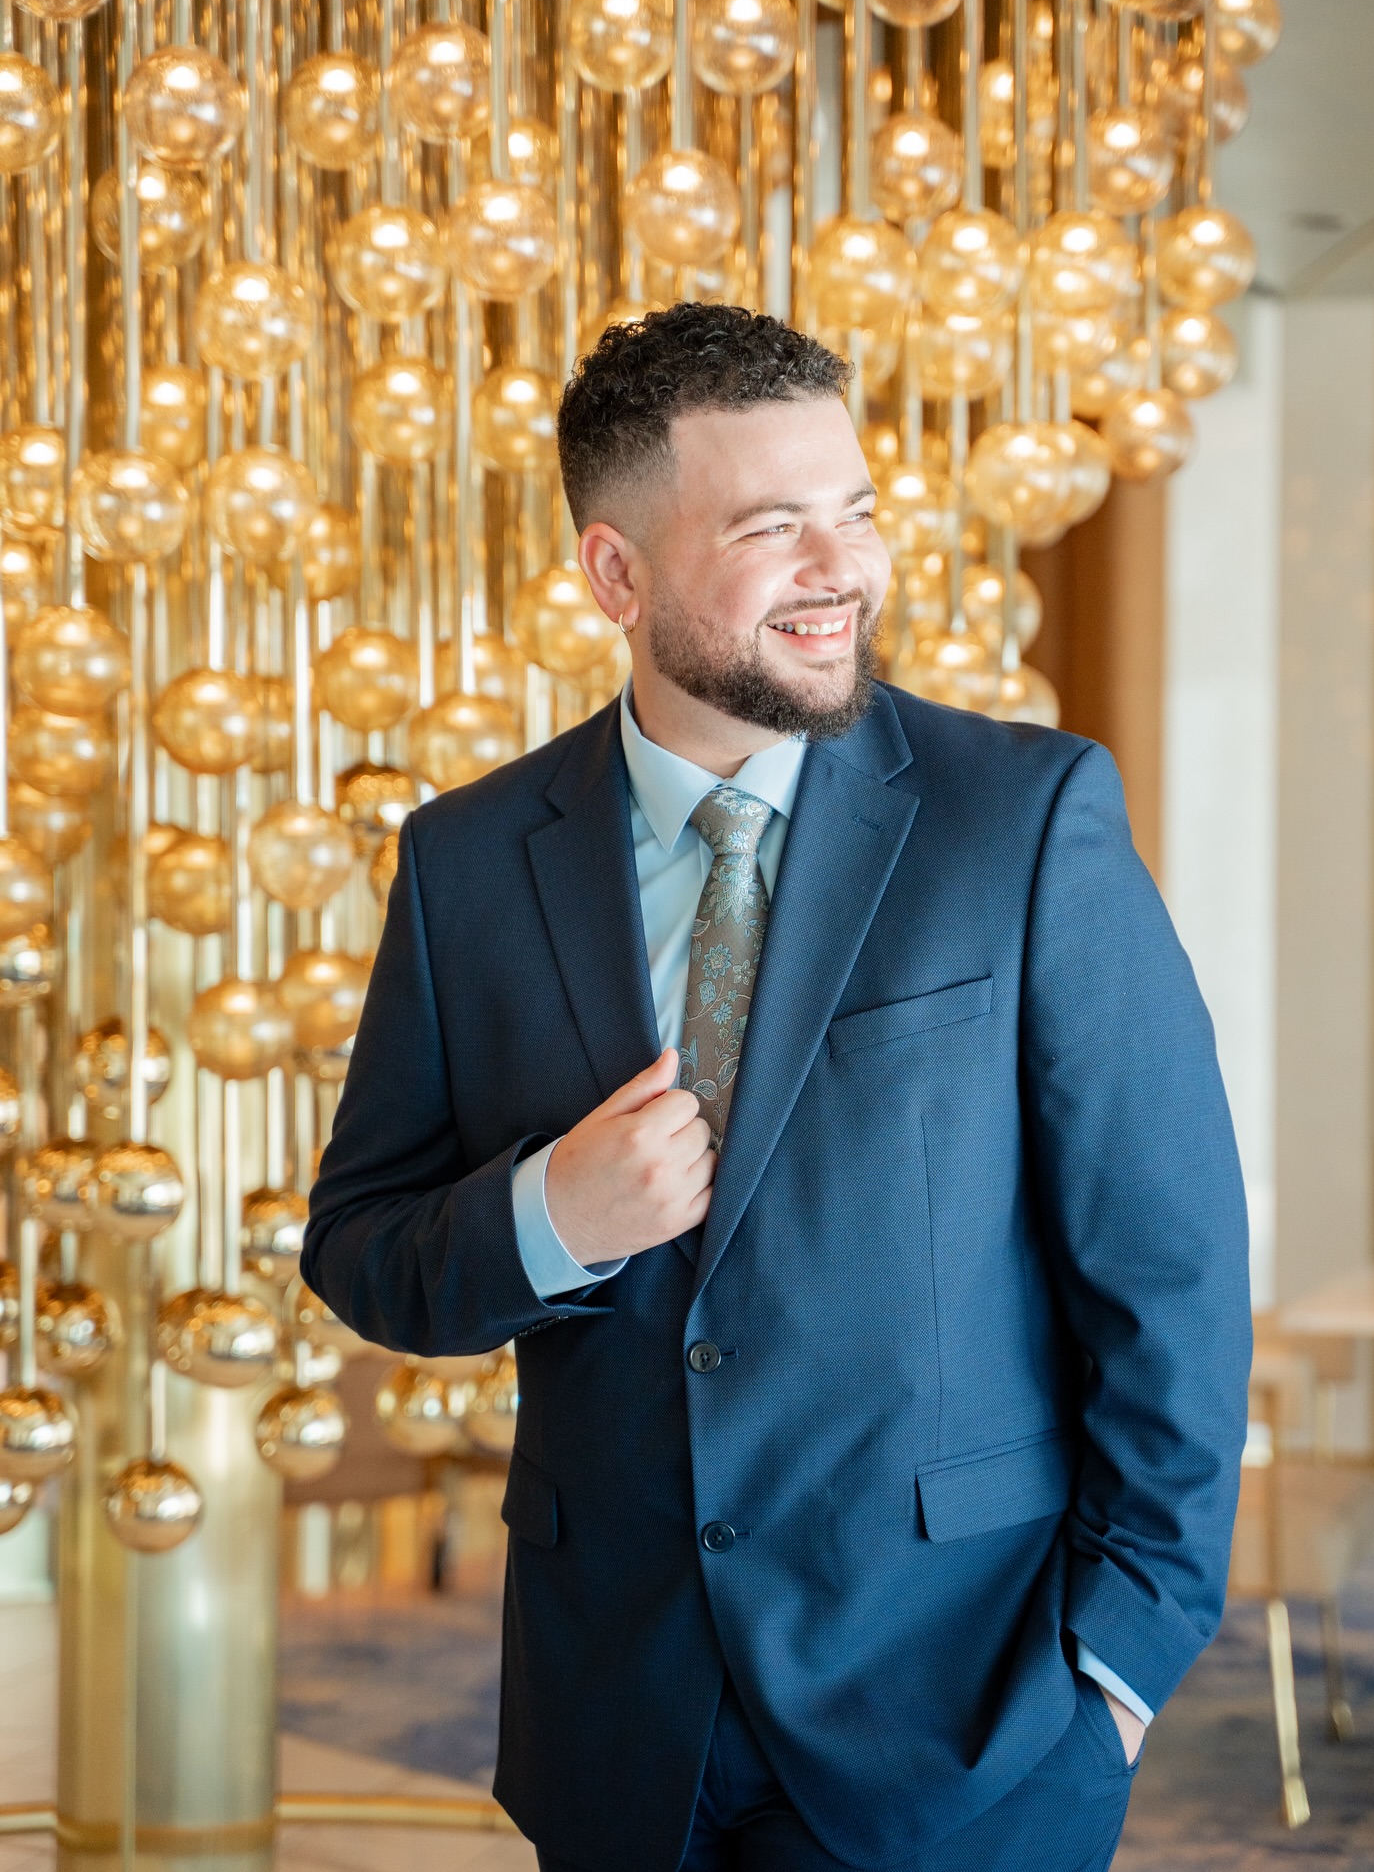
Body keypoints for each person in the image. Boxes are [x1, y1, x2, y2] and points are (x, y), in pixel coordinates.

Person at [303, 302, 1251, 1872]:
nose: (845, 568)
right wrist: (551, 1217)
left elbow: (1172, 1266)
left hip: (971, 1716)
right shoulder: (466, 860)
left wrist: (1120, 1665)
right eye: (773, 526)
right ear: (617, 573)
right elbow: (362, 1245)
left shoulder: (1024, 818)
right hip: (622, 1724)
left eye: (859, 511)